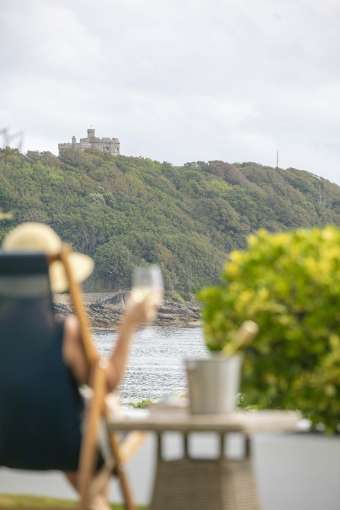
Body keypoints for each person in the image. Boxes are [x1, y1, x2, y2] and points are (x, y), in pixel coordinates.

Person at [1, 222, 159, 509]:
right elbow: (106, 383)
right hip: (64, 446)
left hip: (6, 445)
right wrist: (127, 326)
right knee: (102, 413)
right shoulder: (65, 333)